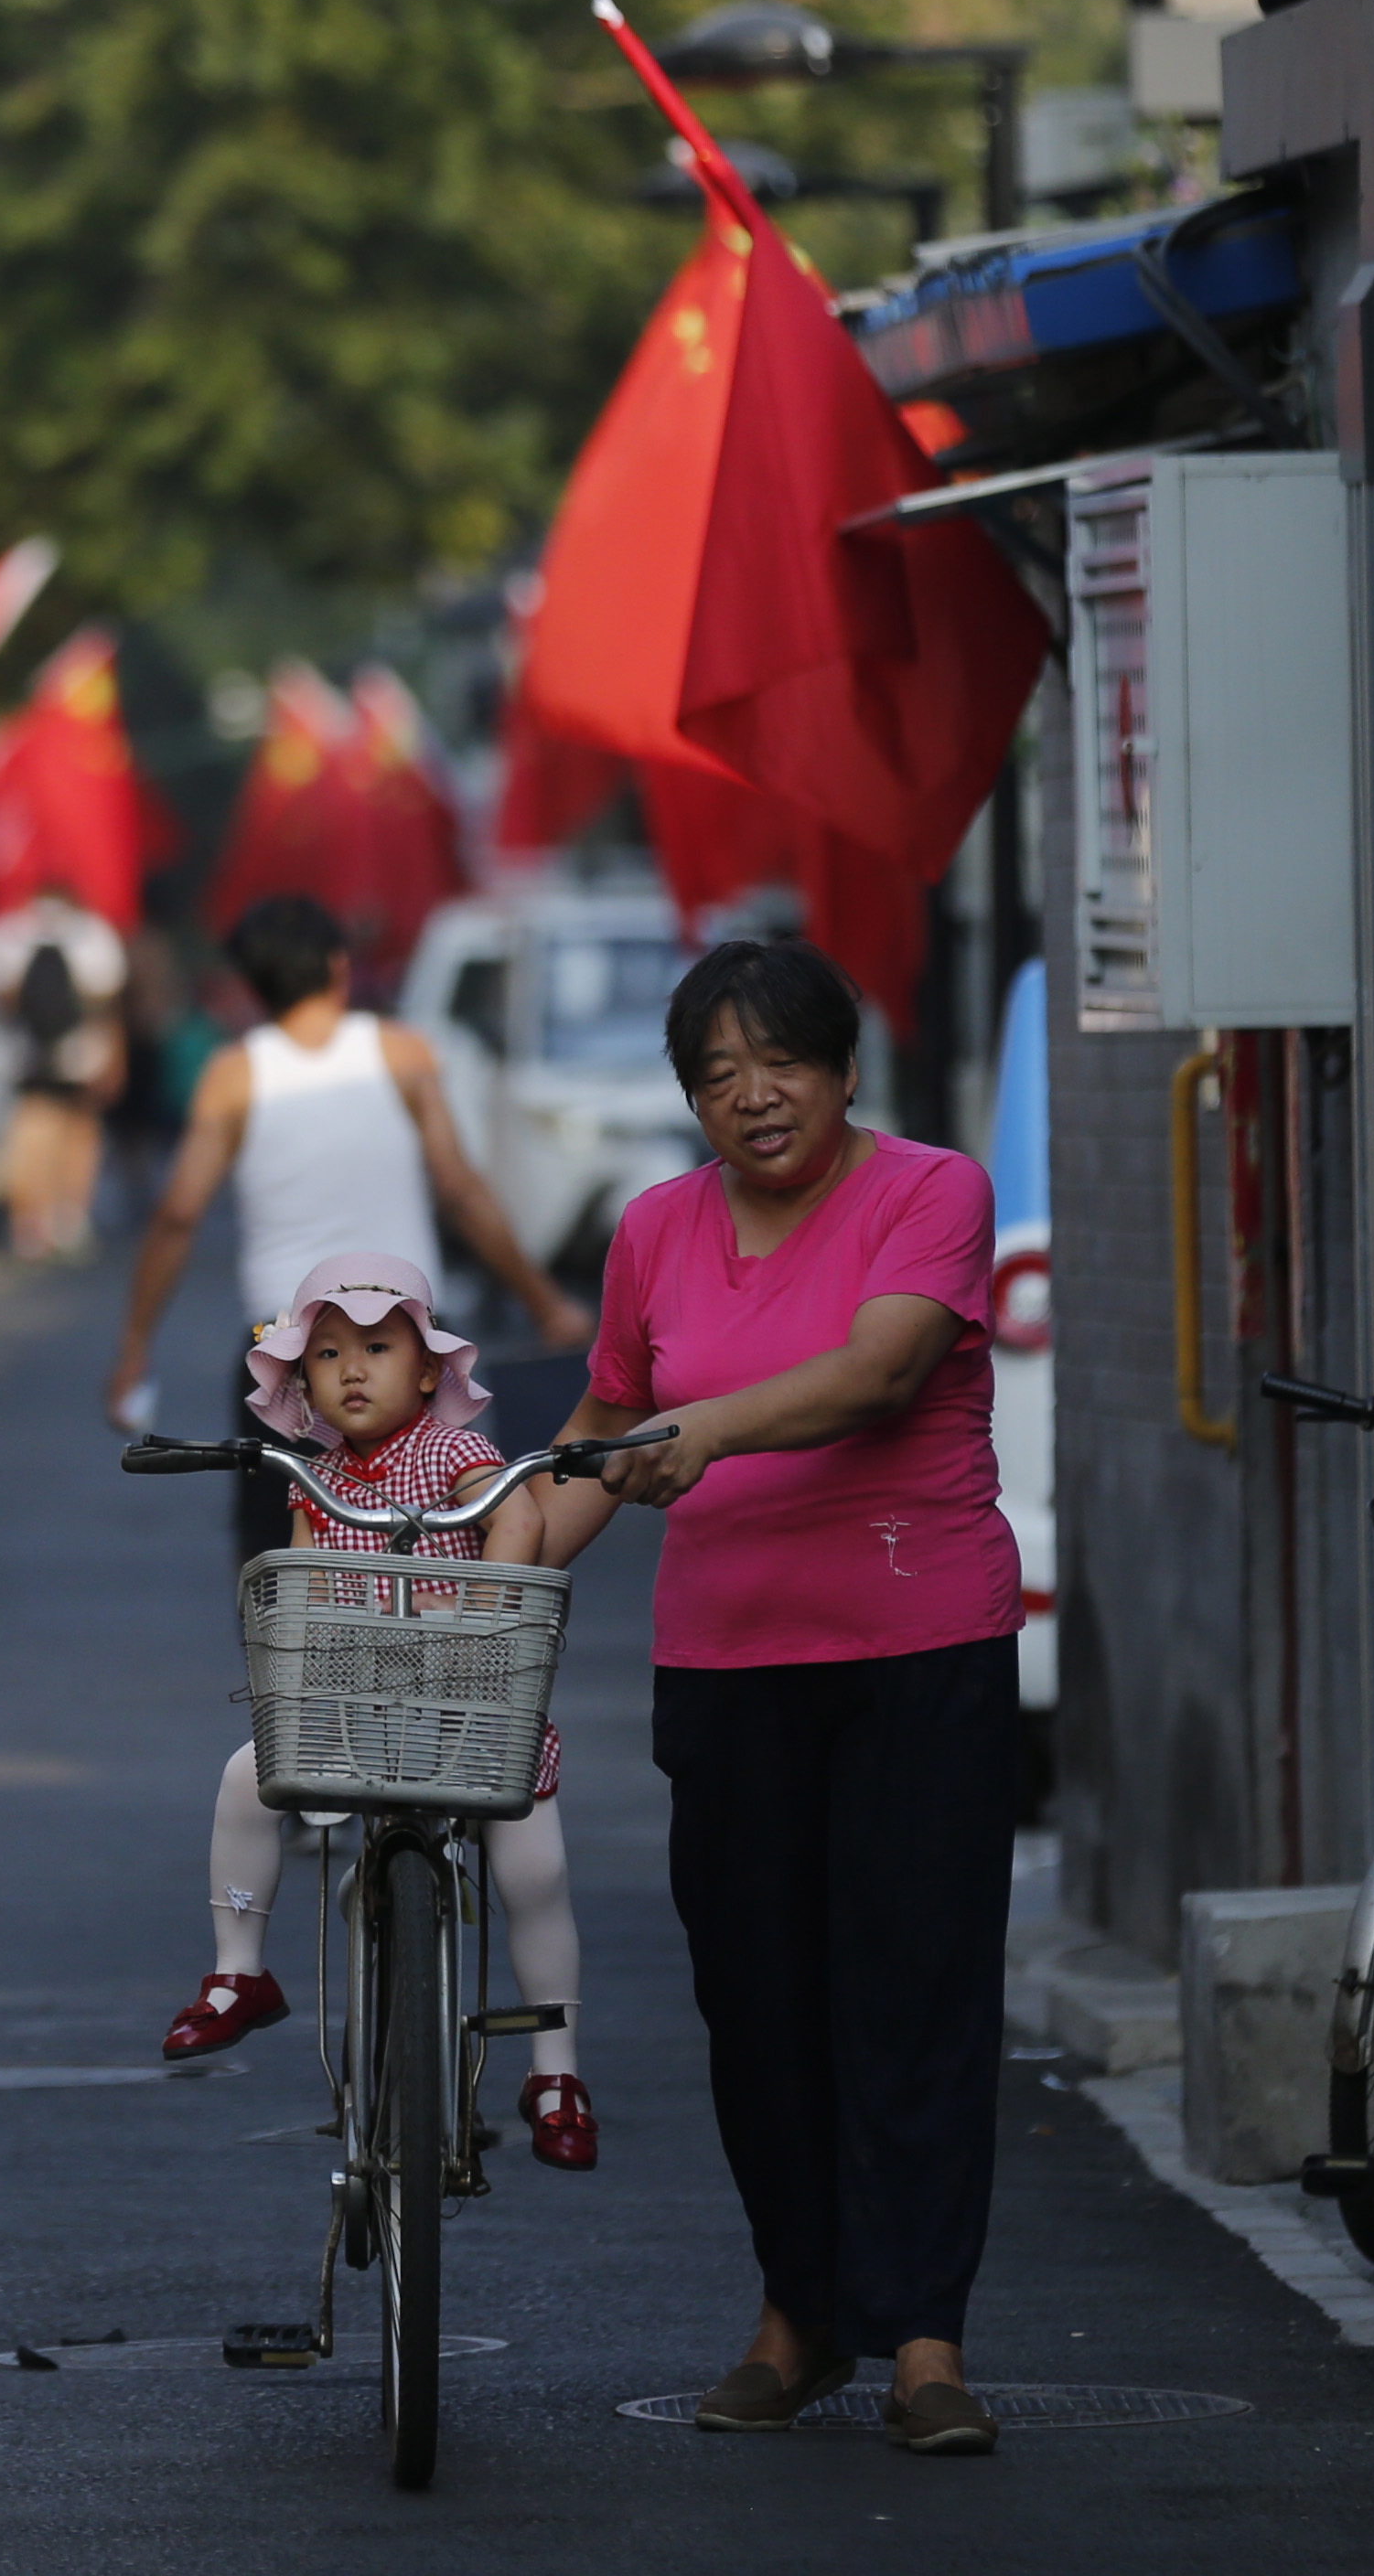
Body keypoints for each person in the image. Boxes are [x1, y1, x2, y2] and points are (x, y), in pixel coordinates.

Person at [513, 934, 1016, 2458]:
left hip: (915, 1654)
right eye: (714, 1076)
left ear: (844, 1070)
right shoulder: (655, 1229)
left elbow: (877, 1372)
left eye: (777, 1062)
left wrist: (708, 1425)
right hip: (727, 1670)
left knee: (911, 1994)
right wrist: (481, 1571)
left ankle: (920, 2340)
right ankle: (797, 2319)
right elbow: (603, 1419)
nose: (752, 1097)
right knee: (756, 2006)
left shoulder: (928, 1193)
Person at [157, 1254, 596, 2171]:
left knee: (535, 1868)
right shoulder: (318, 1477)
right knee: (247, 1774)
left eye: (378, 1347)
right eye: (325, 1355)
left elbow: (515, 1520)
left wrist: (482, 1609)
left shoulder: (454, 1454)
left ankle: (554, 2066)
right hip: (350, 1708)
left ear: (429, 1369)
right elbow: (301, 1572)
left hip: (468, 1706)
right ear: (302, 1381)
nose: (352, 1369)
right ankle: (240, 1970)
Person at [105, 893, 590, 1561]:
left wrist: (134, 1350)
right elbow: (458, 1187)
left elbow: (178, 1213)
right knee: (442, 1534)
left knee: (283, 1561)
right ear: (338, 965)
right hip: (408, 1334)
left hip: (285, 1348)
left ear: (253, 983)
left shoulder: (234, 1076)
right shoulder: (401, 1053)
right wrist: (545, 1303)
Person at [0, 886, 123, 1262]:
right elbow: (106, 997)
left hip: (24, 1049)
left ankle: (28, 1225)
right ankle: (68, 1220)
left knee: (31, 1128)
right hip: (82, 1048)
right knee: (78, 1128)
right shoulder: (92, 931)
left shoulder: (8, 931)